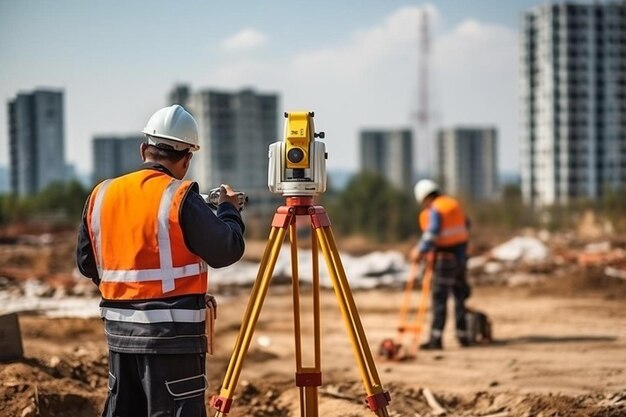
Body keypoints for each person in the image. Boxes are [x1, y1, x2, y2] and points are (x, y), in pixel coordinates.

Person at [76, 104, 245, 417]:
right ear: (187, 158)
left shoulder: (102, 194)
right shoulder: (179, 195)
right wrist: (229, 210)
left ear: (144, 149)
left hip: (120, 338)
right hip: (172, 342)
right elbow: (226, 249)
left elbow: (88, 264)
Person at [410, 179, 470, 350]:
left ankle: (436, 339)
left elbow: (432, 233)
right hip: (461, 257)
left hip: (444, 259)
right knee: (459, 297)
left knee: (439, 299)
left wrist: (420, 250)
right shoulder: (453, 205)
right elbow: (466, 225)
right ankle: (463, 335)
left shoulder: (435, 209)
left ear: (424, 198)